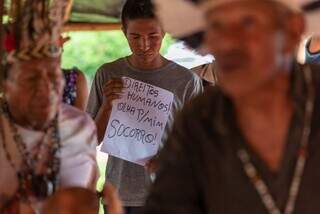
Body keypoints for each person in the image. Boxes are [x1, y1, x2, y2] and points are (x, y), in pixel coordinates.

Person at [138, 0, 320, 213]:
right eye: (215, 25)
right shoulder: (200, 119)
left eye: (247, 22)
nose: (226, 42)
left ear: (292, 30)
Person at [86, 0, 203, 213]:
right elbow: (89, 141)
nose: (144, 45)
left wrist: (170, 160)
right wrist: (107, 107)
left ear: (165, 31)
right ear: (124, 32)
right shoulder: (108, 74)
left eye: (153, 36)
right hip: (120, 195)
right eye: (135, 37)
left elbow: (199, 145)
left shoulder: (186, 81)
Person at [0, 0, 98, 212]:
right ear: (6, 85)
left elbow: (90, 194)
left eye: (54, 76)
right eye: (31, 78)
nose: (46, 88)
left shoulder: (82, 126)